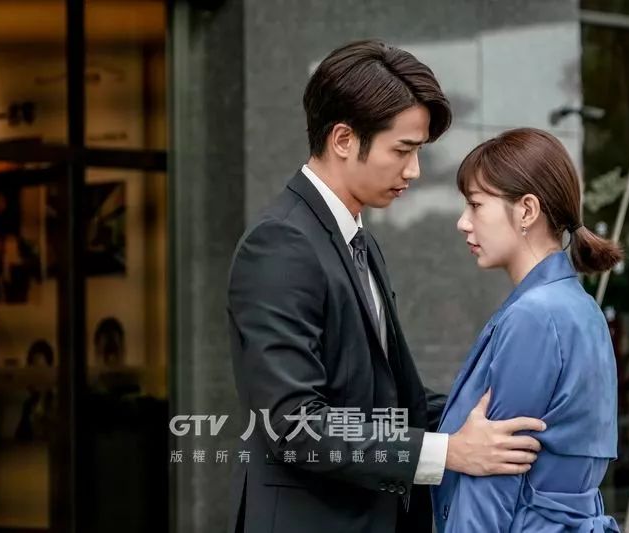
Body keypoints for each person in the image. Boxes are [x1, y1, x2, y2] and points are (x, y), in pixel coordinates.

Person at [227, 40, 546, 533]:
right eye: (402, 150)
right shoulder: (280, 244)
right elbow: (293, 423)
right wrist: (449, 452)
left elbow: (391, 398)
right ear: (343, 139)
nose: (414, 170)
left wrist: (497, 410)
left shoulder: (359, 241)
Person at [432, 128, 620, 531]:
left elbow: (491, 481)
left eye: (475, 204)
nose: (463, 222)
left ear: (527, 210)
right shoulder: (580, 308)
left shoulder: (535, 316)